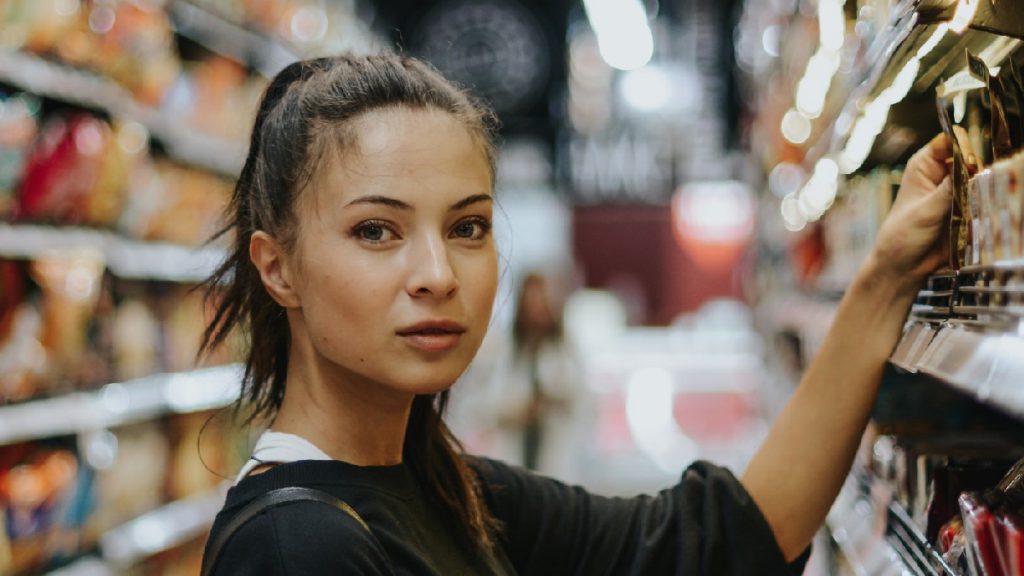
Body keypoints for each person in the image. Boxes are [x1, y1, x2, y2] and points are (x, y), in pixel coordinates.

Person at [198, 53, 954, 575]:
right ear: (278, 267)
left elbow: (722, 541)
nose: (436, 275)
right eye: (376, 231)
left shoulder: (448, 490)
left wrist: (886, 276)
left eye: (467, 228)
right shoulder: (297, 548)